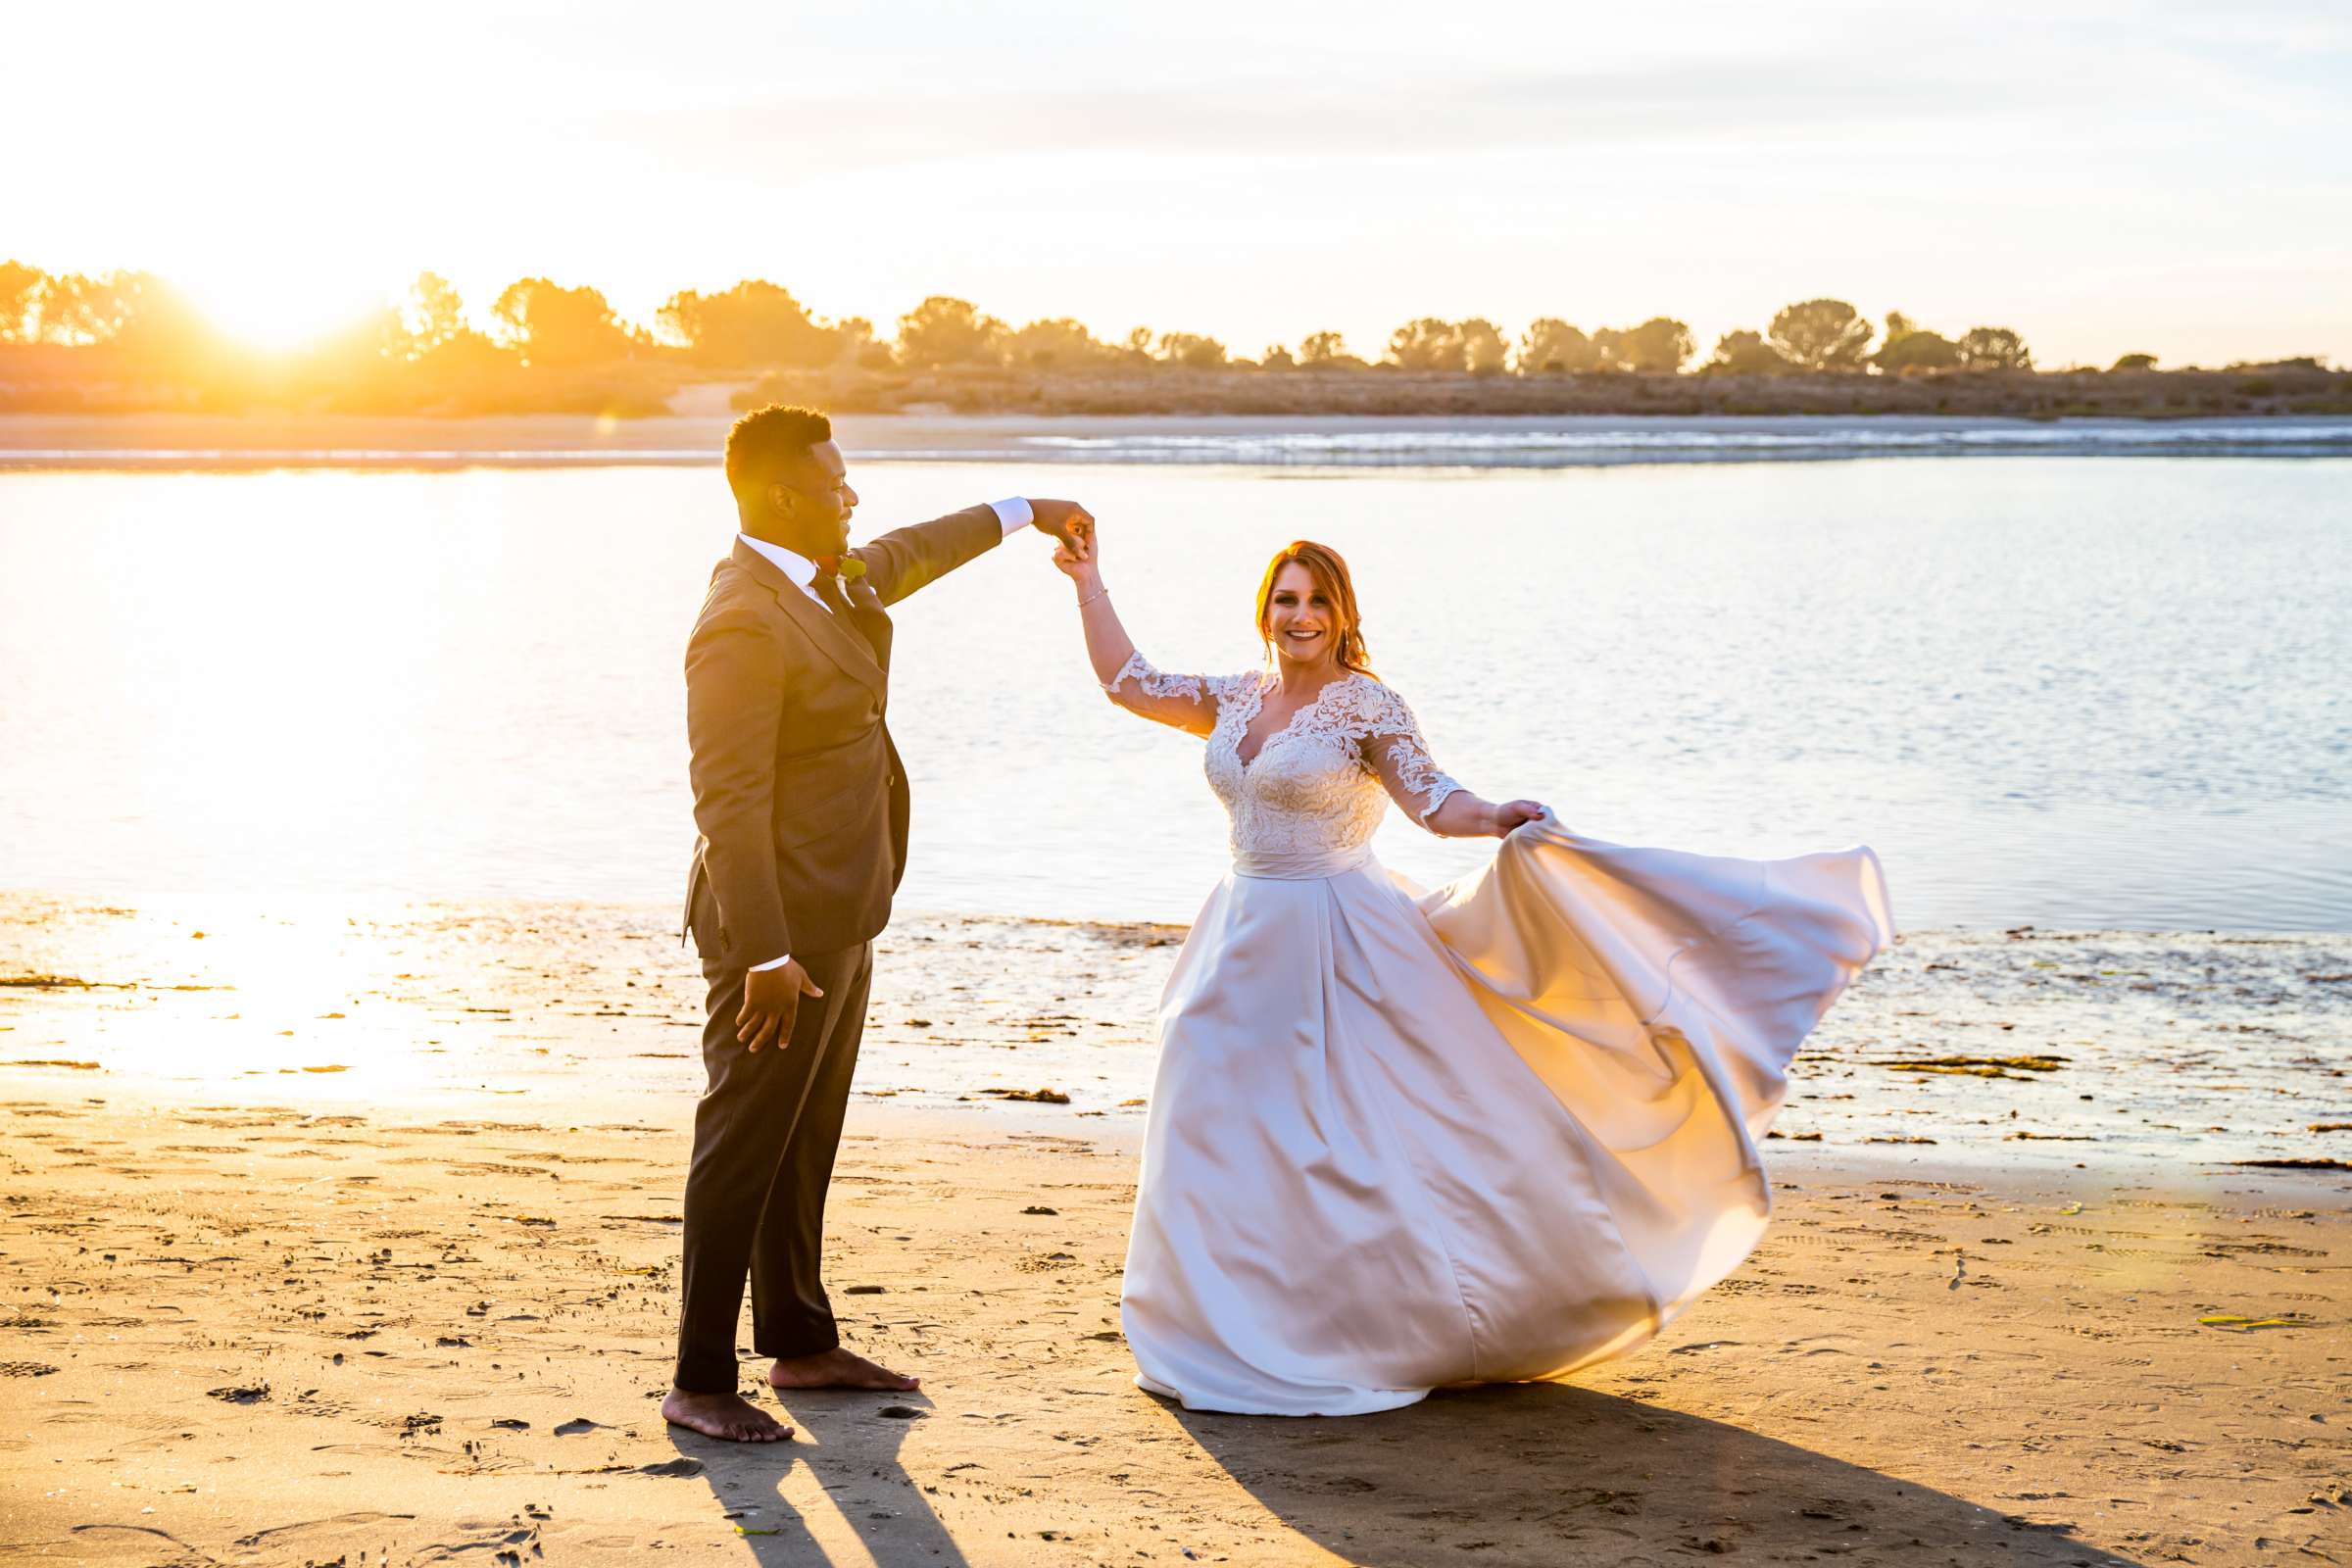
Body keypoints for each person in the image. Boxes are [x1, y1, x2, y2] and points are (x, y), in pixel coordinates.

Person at [1052, 531, 1894, 1416]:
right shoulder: (1234, 696)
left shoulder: (1366, 705)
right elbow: (1127, 682)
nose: (1299, 617)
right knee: (1213, 1117)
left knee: (1340, 1138)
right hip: (1238, 928)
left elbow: (1431, 797)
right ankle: (1215, 1323)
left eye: (1316, 602)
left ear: (1343, 615)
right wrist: (1088, 581)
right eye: (1285, 600)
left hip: (1335, 933)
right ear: (1265, 609)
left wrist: (1495, 815)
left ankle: (1348, 1324)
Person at [665, 405, 1092, 1443]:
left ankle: (803, 1343)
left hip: (844, 911)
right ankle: (699, 1379)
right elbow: (724, 799)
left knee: (802, 1139)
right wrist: (764, 952)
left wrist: (1028, 508)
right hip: (774, 938)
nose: (852, 496)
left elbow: (917, 551)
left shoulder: (831, 574)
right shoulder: (742, 616)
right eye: (834, 482)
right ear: (779, 496)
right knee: (741, 1142)